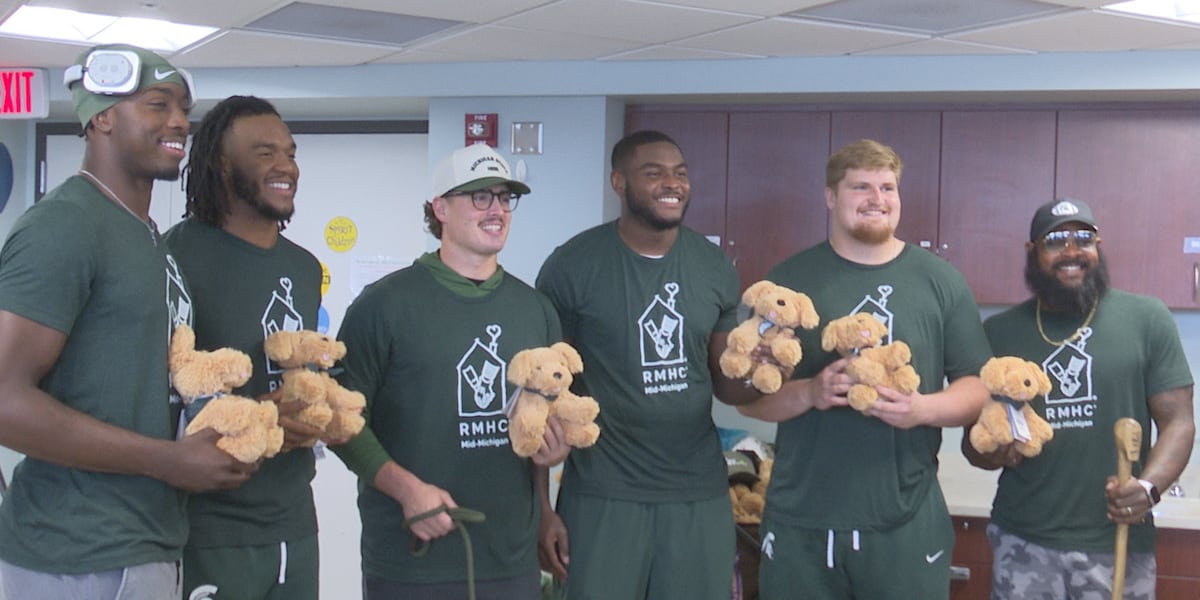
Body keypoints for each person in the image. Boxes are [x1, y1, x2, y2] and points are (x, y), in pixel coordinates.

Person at [0, 44, 256, 599]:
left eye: (184, 108)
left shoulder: (146, 238)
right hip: (74, 559)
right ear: (102, 118)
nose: (179, 122)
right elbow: (3, 400)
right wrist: (170, 461)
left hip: (144, 546)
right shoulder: (65, 227)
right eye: (157, 104)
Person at [736, 138, 992, 600]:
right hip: (802, 523)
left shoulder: (940, 281)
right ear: (831, 197)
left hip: (905, 520)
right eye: (861, 187)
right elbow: (751, 399)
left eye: (887, 188)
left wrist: (922, 408)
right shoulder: (788, 282)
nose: (877, 199)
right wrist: (811, 391)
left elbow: (977, 386)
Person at [332, 143, 570, 599]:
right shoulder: (383, 307)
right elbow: (339, 422)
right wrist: (406, 491)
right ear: (439, 208)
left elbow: (537, 420)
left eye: (504, 197)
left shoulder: (536, 311)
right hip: (413, 558)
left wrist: (546, 489)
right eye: (479, 196)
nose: (496, 209)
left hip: (509, 559)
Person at [535, 129, 757, 600]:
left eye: (679, 173)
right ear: (619, 182)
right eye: (653, 173)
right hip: (603, 494)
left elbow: (727, 384)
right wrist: (541, 509)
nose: (671, 183)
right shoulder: (573, 266)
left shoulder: (713, 265)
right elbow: (541, 397)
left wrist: (766, 370)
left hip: (697, 492)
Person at [962, 198, 1194, 600]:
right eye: (1056, 240)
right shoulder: (999, 332)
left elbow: (1178, 421)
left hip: (1118, 539)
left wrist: (1149, 487)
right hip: (1025, 540)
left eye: (1083, 238)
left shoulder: (1146, 318)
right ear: (1032, 251)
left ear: (1098, 247)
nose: (1072, 251)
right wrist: (994, 453)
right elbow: (973, 441)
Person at [164, 95, 327, 599]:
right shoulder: (174, 257)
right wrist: (258, 414)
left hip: (296, 522)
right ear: (219, 162)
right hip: (211, 530)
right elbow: (159, 398)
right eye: (264, 153)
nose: (286, 166)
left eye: (290, 152)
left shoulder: (304, 267)